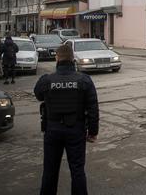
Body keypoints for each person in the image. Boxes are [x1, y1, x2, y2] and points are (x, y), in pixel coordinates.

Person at [34, 44, 99, 195]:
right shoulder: (84, 80)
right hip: (75, 130)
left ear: (57, 58)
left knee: (50, 170)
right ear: (73, 59)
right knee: (77, 171)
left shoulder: (47, 80)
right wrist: (93, 132)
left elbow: (38, 95)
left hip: (53, 130)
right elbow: (93, 108)